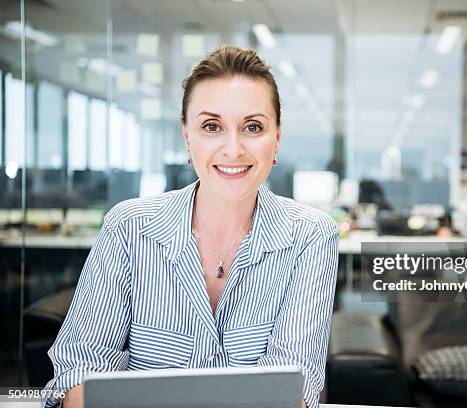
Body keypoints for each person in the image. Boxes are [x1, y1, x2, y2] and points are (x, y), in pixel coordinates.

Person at [44, 46, 339, 408]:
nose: (233, 149)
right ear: (187, 138)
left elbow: (294, 390)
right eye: (211, 127)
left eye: (253, 127)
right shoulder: (129, 229)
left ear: (276, 139)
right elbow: (78, 375)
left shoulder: (311, 236)